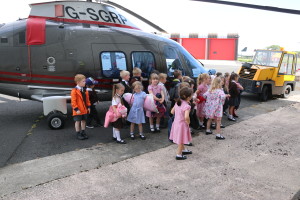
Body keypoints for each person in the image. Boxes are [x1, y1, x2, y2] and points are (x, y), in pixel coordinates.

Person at [169, 87, 193, 160]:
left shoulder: (178, 102)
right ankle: (178, 154)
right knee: (181, 140)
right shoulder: (187, 106)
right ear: (187, 97)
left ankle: (184, 150)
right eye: (191, 95)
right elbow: (186, 117)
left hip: (176, 123)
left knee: (181, 137)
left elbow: (172, 112)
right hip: (182, 125)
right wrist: (188, 122)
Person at [71, 74, 91, 140]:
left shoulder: (85, 90)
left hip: (84, 109)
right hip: (78, 110)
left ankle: (83, 132)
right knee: (77, 121)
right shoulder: (74, 91)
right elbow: (73, 101)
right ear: (78, 82)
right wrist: (76, 109)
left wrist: (89, 106)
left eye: (84, 81)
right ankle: (78, 133)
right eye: (83, 81)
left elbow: (87, 100)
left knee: (83, 120)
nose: (85, 82)